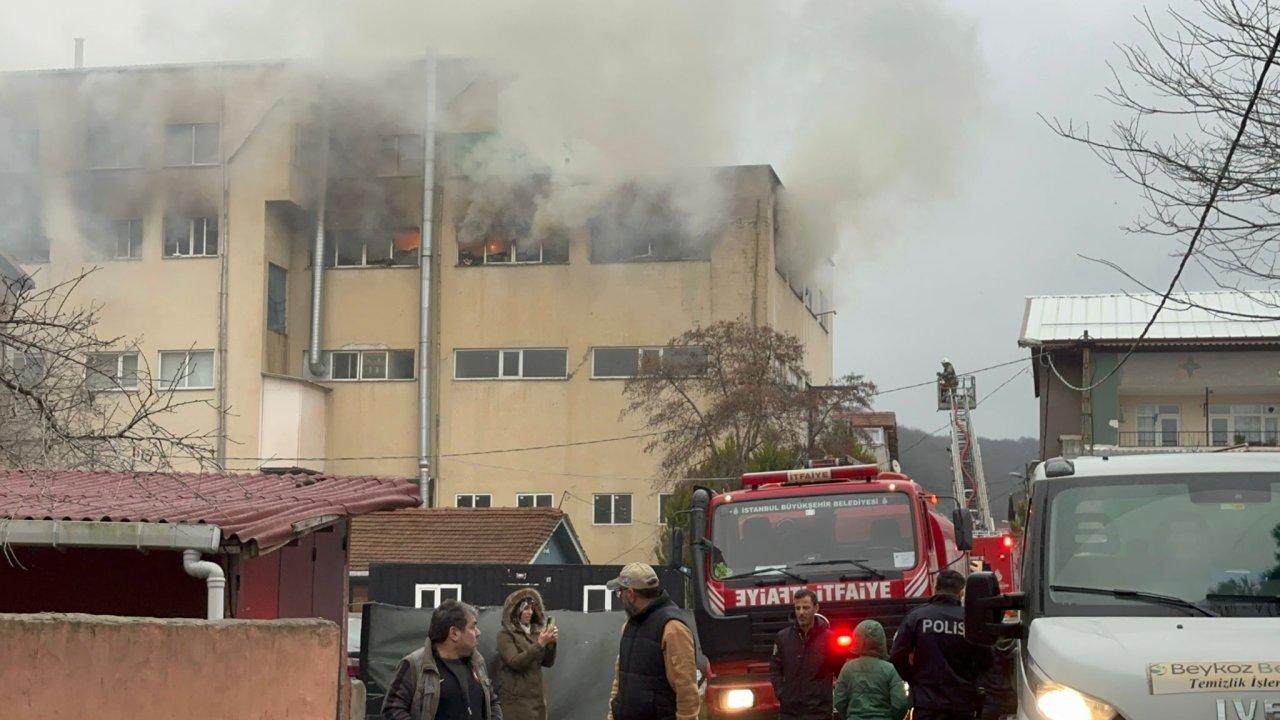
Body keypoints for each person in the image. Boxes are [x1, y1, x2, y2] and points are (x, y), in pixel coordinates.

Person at [890, 570, 991, 720]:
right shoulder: (970, 620)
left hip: (927, 703)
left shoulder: (917, 617)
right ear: (961, 593)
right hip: (962, 702)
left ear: (935, 588)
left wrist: (914, 680)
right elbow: (987, 659)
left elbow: (897, 655)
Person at [606, 562, 700, 720]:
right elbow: (620, 680)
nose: (620, 597)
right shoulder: (629, 626)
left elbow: (686, 691)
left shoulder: (672, 629)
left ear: (630, 594)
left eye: (619, 592)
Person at [382, 599, 504, 720]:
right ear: (454, 633)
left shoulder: (477, 663)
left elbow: (492, 702)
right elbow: (392, 710)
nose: (478, 632)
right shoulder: (415, 665)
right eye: (473, 627)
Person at [769, 589, 840, 719]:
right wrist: (782, 694)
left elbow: (840, 671)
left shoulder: (829, 638)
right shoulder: (782, 637)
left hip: (819, 712)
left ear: (816, 608)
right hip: (789, 712)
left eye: (806, 608)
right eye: (798, 608)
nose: (801, 612)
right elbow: (775, 669)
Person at [494, 588, 558, 720]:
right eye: (526, 608)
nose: (530, 612)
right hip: (516, 703)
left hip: (537, 700)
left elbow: (547, 662)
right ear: (515, 610)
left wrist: (551, 644)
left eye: (532, 608)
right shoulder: (505, 635)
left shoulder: (535, 633)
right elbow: (515, 662)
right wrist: (540, 644)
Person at [833, 619, 909, 720]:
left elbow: (839, 700)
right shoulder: (889, 669)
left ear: (857, 639)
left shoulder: (848, 668)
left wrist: (850, 716)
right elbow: (900, 703)